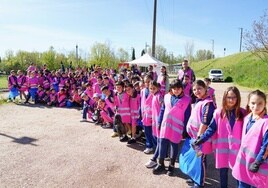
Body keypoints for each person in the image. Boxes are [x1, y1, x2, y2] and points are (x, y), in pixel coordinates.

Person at [192, 86, 245, 188]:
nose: (231, 100)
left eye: (234, 97)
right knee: (223, 173)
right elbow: (211, 129)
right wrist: (201, 139)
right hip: (222, 149)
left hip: (237, 150)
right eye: (229, 97)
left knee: (239, 175)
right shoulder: (218, 113)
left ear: (238, 98)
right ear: (224, 98)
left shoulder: (243, 113)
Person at [181, 80, 216, 188]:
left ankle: (199, 183)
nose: (197, 91)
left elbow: (204, 122)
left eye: (199, 88)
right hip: (193, 138)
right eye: (194, 89)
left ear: (206, 89)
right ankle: (194, 177)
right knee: (195, 159)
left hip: (201, 140)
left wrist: (198, 139)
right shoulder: (198, 101)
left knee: (200, 160)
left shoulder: (208, 103)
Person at [152, 79, 191, 176]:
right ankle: (160, 164)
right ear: (171, 89)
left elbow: (187, 115)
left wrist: (185, 130)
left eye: (178, 88)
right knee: (162, 144)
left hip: (177, 128)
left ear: (182, 89)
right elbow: (162, 110)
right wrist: (159, 122)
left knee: (174, 146)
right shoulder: (166, 97)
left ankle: (171, 165)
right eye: (174, 88)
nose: (176, 90)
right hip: (165, 126)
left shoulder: (186, 100)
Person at [232, 90, 268, 188]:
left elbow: (266, 146)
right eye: (253, 103)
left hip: (257, 166)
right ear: (248, 103)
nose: (256, 106)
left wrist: (257, 162)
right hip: (243, 163)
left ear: (265, 104)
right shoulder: (247, 118)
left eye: (260, 103)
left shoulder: (266, 123)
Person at [144, 80, 163, 168]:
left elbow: (163, 109)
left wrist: (160, 121)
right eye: (150, 88)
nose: (152, 90)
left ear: (158, 88)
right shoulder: (154, 95)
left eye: (154, 88)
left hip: (159, 123)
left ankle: (154, 159)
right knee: (158, 140)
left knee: (159, 141)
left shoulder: (159, 96)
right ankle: (159, 156)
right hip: (155, 122)